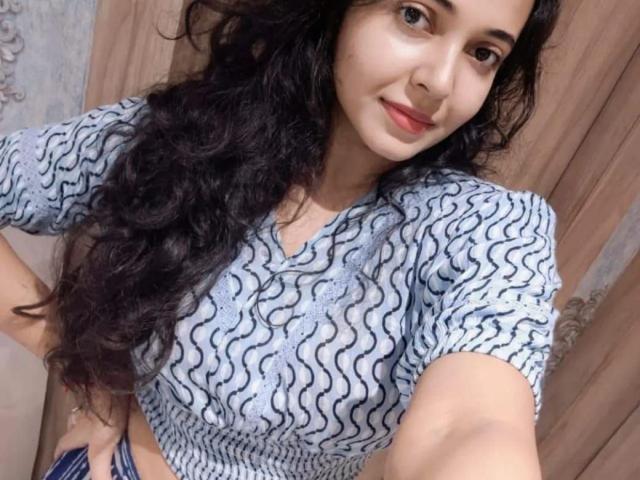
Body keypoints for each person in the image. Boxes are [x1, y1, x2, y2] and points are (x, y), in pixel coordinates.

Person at [0, 0, 564, 478]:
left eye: (482, 53)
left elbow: (472, 423)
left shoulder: (484, 231)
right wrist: (81, 365)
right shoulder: (183, 137)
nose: (439, 82)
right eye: (415, 16)